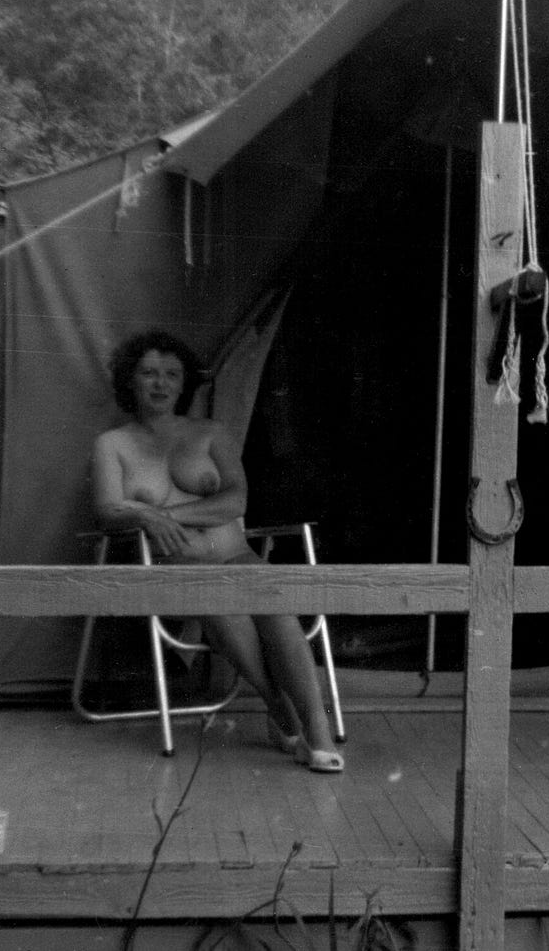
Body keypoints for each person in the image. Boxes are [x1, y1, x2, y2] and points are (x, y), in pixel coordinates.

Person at [91, 330, 344, 773]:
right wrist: (145, 517)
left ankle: (318, 735)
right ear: (130, 380)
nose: (160, 384)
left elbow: (235, 502)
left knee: (271, 596)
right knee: (217, 597)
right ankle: (280, 706)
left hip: (235, 556)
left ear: (185, 383)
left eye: (171, 374)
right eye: (148, 373)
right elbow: (108, 510)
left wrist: (163, 514)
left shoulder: (211, 433)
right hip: (179, 573)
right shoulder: (112, 444)